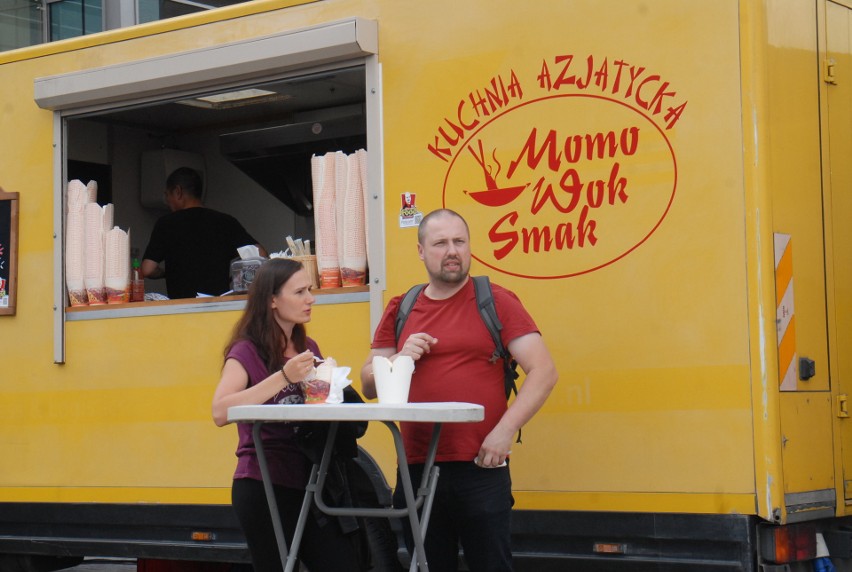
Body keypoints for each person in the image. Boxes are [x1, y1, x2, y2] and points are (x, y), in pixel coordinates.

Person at [360, 209, 558, 572]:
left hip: (482, 465)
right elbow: (369, 383)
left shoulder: (496, 300)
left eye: (459, 242)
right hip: (417, 468)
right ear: (421, 251)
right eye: (440, 243)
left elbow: (544, 371)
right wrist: (401, 358)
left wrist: (503, 433)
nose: (452, 251)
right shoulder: (401, 308)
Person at [211, 258, 361, 572]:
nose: (311, 299)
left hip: (313, 478)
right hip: (265, 482)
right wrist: (284, 377)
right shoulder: (246, 350)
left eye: (310, 289)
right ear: (272, 301)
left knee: (344, 563)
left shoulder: (307, 346)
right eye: (300, 292)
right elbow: (220, 411)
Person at [142, 166, 266, 299]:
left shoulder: (166, 223)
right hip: (219, 306)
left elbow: (147, 269)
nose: (167, 201)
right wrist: (239, 278)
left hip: (181, 309)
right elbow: (260, 254)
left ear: (178, 192)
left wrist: (167, 272)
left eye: (168, 195)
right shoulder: (225, 221)